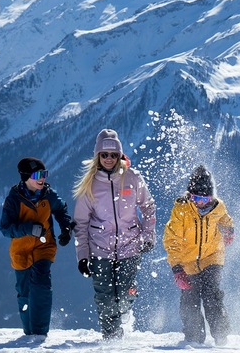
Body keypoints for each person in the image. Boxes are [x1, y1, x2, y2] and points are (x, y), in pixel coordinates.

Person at [72, 129, 157, 340]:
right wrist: (82, 256)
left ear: (119, 156)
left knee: (125, 297)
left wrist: (148, 236)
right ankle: (112, 341)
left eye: (113, 154)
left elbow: (148, 206)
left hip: (130, 246)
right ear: (98, 156)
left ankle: (125, 308)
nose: (109, 158)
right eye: (104, 154)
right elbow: (80, 224)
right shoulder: (90, 185)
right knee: (105, 298)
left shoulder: (132, 178)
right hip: (99, 249)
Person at [0, 157, 75, 339]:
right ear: (25, 177)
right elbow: (5, 228)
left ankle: (40, 333)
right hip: (21, 251)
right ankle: (29, 332)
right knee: (24, 292)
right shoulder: (14, 200)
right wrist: (28, 229)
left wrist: (65, 228)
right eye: (37, 175)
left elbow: (61, 209)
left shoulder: (48, 195)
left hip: (44, 246)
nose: (42, 178)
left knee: (42, 285)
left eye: (44, 174)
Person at [163, 165, 234, 346]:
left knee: (212, 295)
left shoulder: (218, 206)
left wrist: (229, 230)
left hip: (212, 256)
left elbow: (225, 218)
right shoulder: (181, 209)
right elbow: (172, 239)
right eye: (196, 198)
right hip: (187, 262)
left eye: (205, 198)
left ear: (211, 197)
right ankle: (194, 339)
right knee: (190, 300)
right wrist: (177, 269)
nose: (200, 203)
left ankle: (221, 336)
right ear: (190, 195)